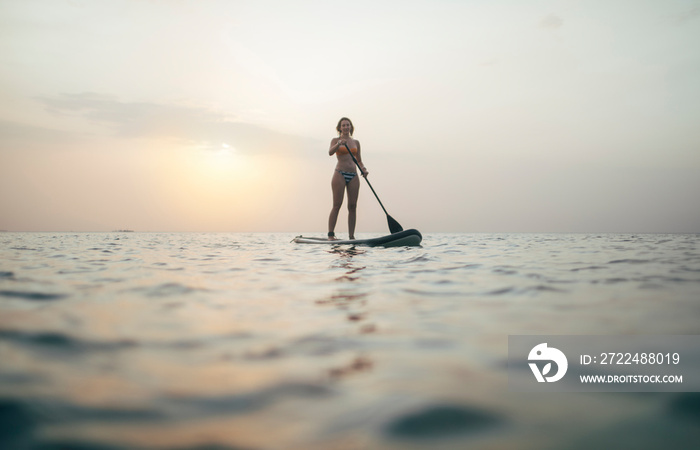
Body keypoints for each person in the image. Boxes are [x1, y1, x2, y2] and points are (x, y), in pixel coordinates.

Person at [327, 117, 368, 240]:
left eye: (348, 125)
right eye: (343, 125)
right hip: (340, 173)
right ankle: (331, 235)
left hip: (354, 175)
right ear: (340, 128)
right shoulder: (336, 140)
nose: (346, 127)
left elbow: (359, 160)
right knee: (337, 204)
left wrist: (364, 169)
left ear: (351, 127)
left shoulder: (356, 142)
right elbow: (330, 152)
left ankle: (351, 236)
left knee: (352, 206)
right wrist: (339, 144)